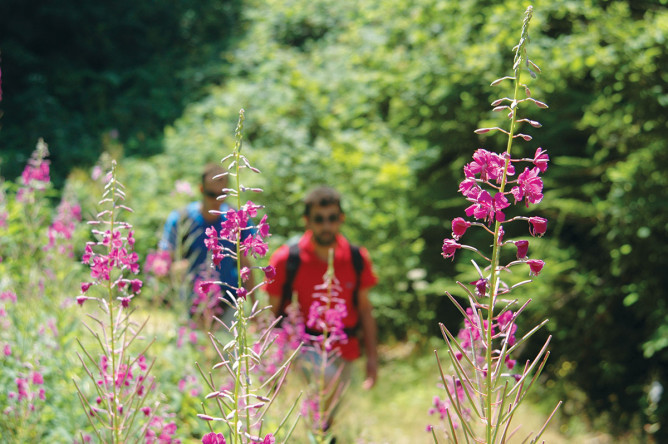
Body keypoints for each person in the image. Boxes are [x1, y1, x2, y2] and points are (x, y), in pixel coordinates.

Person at [265, 186, 379, 390]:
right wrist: (267, 360)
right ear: (307, 221)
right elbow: (270, 314)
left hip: (344, 349)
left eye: (332, 218)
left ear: (341, 218)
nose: (326, 225)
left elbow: (365, 310)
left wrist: (372, 358)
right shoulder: (285, 259)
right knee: (325, 383)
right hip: (301, 347)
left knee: (335, 413)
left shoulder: (357, 258)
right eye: (319, 219)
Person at [159, 163, 254, 324]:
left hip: (227, 303)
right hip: (190, 306)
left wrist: (254, 306)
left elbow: (246, 264)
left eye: (222, 195)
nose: (217, 201)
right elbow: (162, 262)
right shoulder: (181, 219)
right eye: (212, 194)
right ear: (201, 189)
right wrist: (171, 269)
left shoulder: (236, 220)